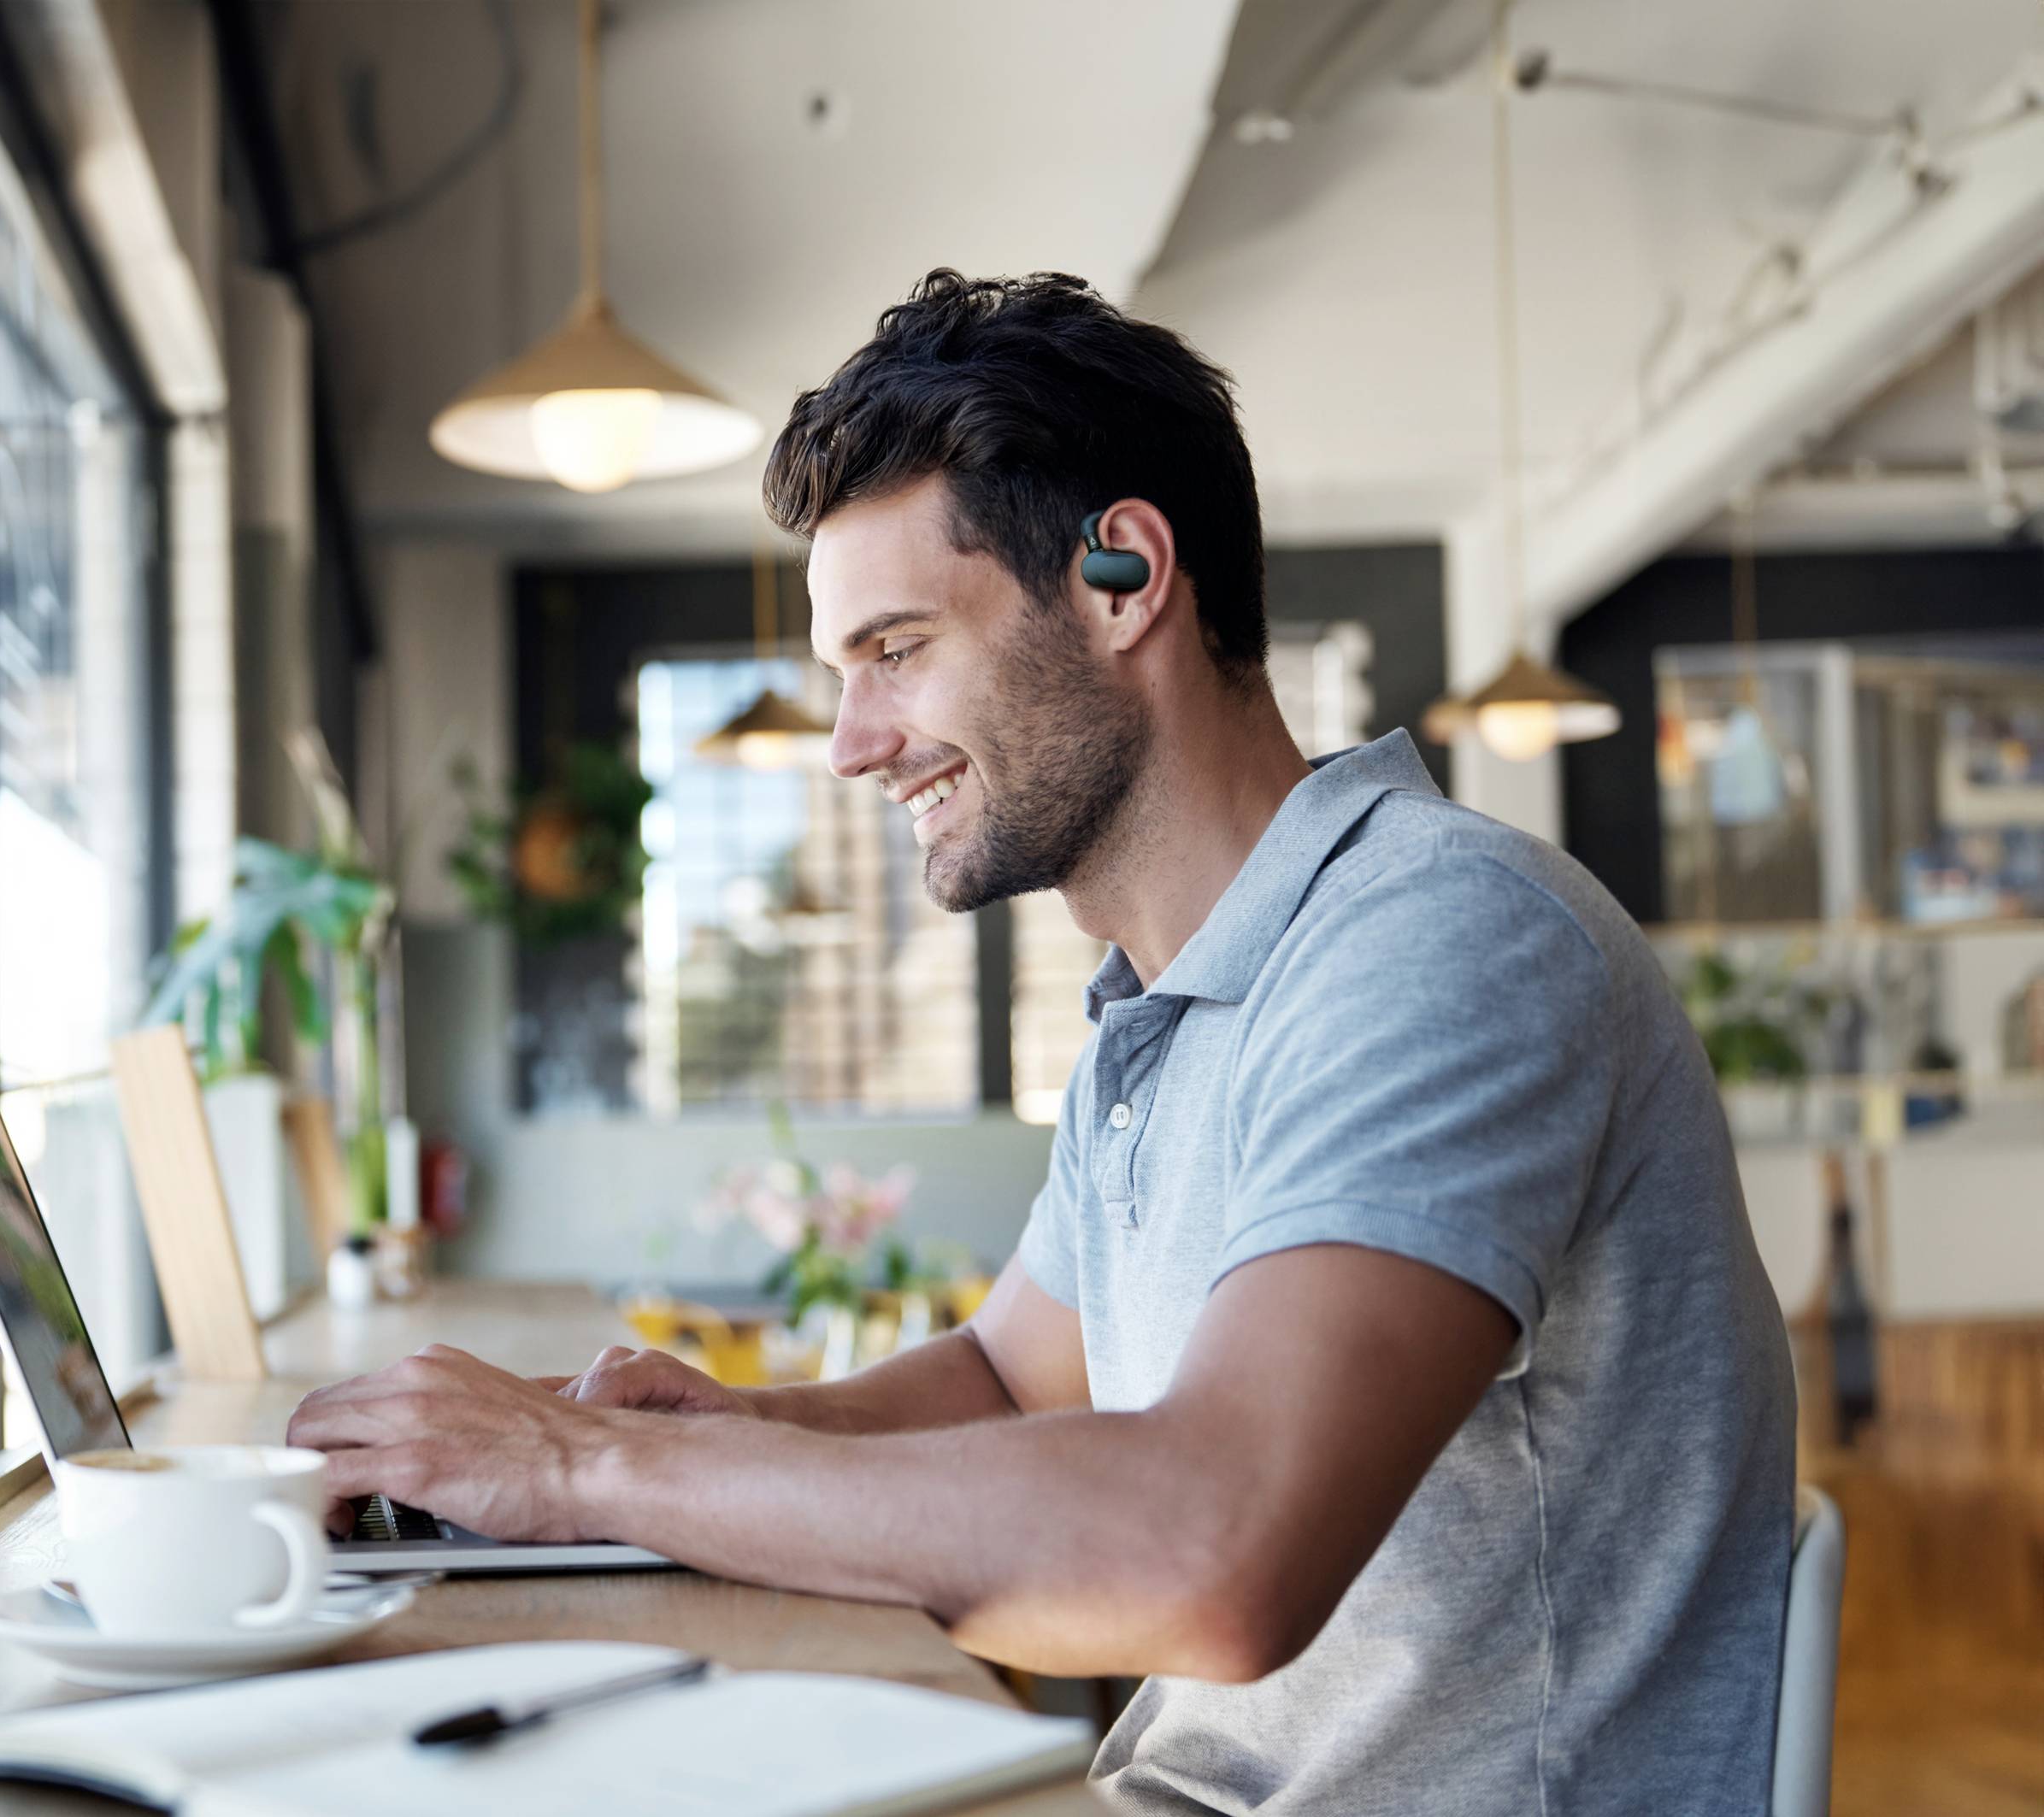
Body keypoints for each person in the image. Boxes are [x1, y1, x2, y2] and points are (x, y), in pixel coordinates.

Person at [287, 271, 1795, 1816]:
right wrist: (730, 1427)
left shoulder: (1444, 938)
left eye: (896, 649)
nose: (854, 743)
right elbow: (1014, 1377)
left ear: (1123, 573)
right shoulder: (1166, 1004)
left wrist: (582, 1472)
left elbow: (1220, 1554)